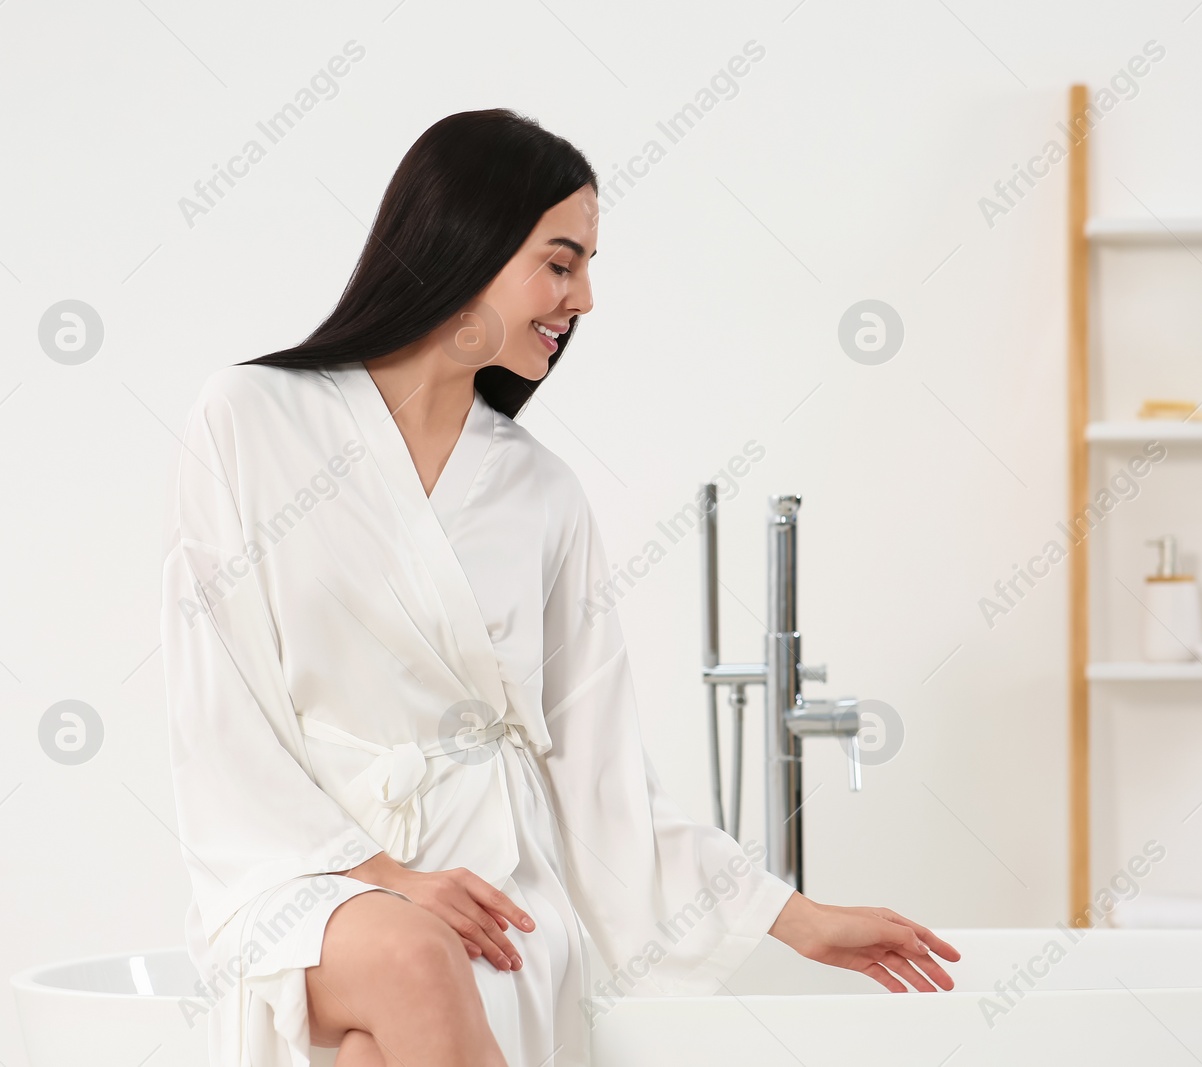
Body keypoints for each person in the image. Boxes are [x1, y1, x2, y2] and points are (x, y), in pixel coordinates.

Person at [159, 107, 960, 1067]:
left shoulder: (541, 492)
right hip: (299, 866)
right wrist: (380, 875)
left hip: (497, 884)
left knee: (385, 1041)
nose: (584, 298)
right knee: (415, 957)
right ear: (469, 242)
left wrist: (793, 917)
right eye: (562, 260)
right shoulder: (251, 418)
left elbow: (599, 765)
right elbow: (216, 695)